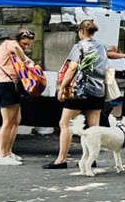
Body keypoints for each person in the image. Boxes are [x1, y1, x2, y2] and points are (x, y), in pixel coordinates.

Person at [46, 20, 108, 170]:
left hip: (79, 92)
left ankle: (61, 159)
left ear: (81, 31)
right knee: (93, 127)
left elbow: (73, 67)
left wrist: (62, 87)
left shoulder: (79, 46)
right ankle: (91, 159)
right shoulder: (101, 48)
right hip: (98, 91)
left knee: (65, 123)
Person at [0, 29, 37, 166]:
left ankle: (8, 151)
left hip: (13, 86)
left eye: (28, 45)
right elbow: (17, 47)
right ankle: (2, 155)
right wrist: (26, 61)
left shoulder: (12, 52)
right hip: (4, 85)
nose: (25, 47)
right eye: (24, 43)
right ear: (18, 39)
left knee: (16, 120)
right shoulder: (9, 43)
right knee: (8, 122)